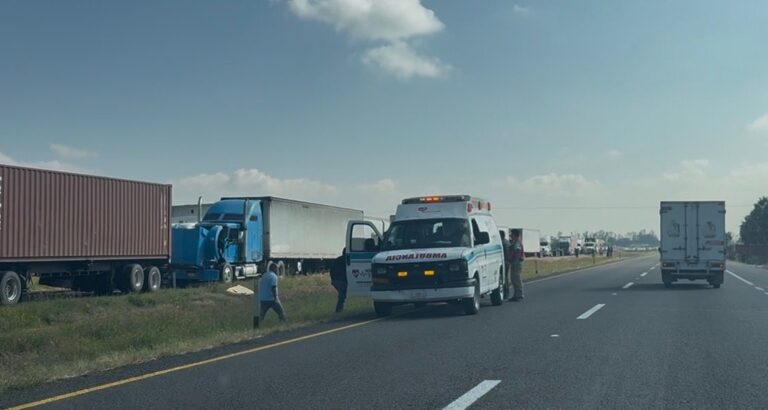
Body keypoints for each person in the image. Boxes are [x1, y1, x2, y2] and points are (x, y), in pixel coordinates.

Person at [509, 229, 525, 301]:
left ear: (515, 235)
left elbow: (517, 253)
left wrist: (514, 262)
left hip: (517, 263)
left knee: (516, 279)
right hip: (515, 262)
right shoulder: (515, 242)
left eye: (511, 234)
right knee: (513, 279)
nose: (510, 236)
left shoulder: (517, 243)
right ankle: (516, 294)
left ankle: (519, 294)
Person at [330, 248, 348, 313]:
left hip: (335, 280)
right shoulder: (346, 261)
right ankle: (338, 310)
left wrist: (332, 279)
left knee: (342, 295)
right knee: (342, 296)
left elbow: (331, 270)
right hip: (341, 281)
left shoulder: (337, 260)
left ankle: (340, 309)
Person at [500, 230, 512, 295]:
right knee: (506, 277)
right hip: (508, 261)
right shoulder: (507, 242)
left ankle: (505, 292)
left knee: (503, 278)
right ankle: (506, 292)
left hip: (504, 262)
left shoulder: (502, 243)